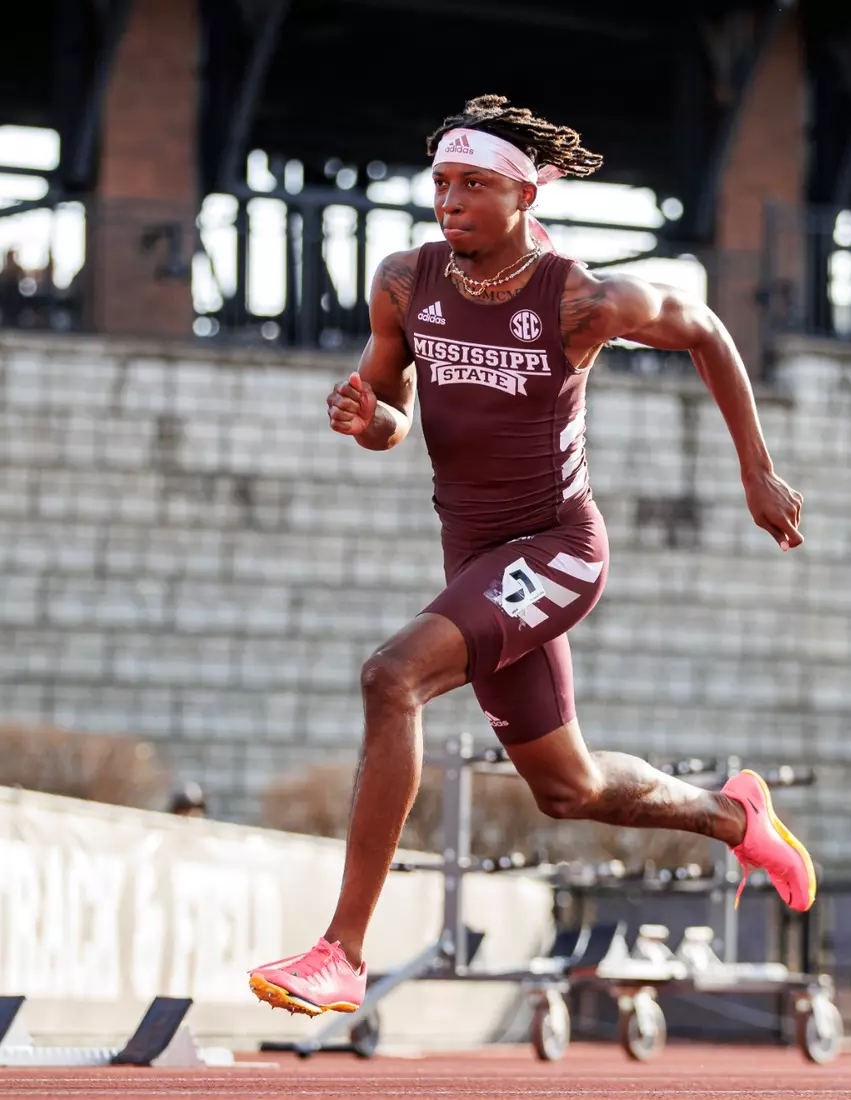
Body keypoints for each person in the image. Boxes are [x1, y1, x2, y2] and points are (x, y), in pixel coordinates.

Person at [248, 95, 812, 1018]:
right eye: (441, 184)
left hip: (555, 549)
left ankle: (341, 952)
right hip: (472, 557)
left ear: (524, 193)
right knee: (568, 787)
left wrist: (757, 472)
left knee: (391, 678)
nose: (451, 201)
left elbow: (706, 329)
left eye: (474, 185)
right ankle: (733, 815)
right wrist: (369, 419)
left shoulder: (580, 297)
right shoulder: (403, 283)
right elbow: (392, 419)